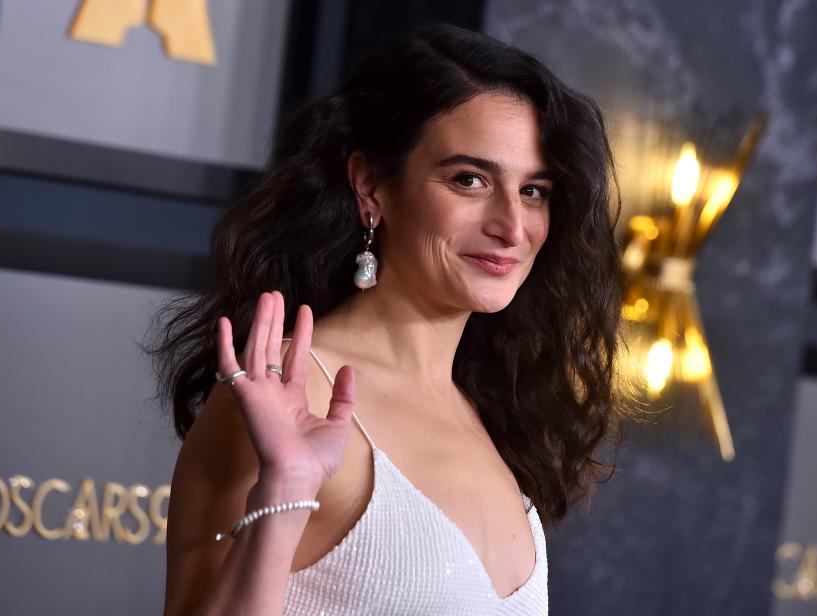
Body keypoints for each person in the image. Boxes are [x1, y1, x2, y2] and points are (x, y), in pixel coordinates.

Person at [146, 21, 626, 616]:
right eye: (470, 180)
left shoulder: (489, 408)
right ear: (371, 185)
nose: (511, 225)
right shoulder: (290, 394)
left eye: (534, 191)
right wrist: (287, 489)